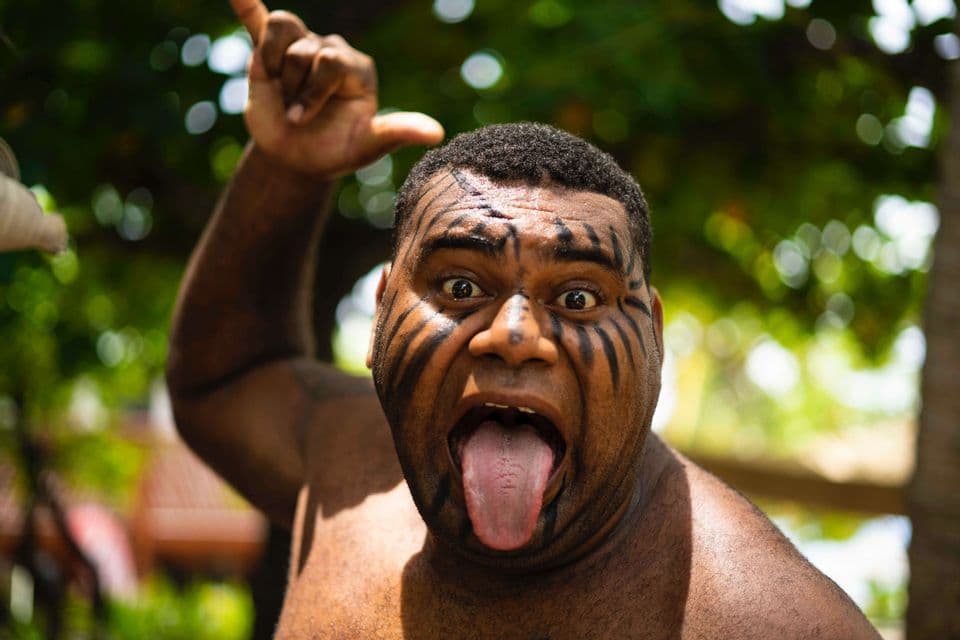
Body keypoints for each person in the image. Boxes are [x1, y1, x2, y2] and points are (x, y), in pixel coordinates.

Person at [166, 2, 882, 638]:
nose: (513, 335)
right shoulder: (350, 460)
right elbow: (223, 379)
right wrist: (286, 169)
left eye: (576, 298)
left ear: (655, 339)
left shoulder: (769, 621)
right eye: (458, 284)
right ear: (383, 311)